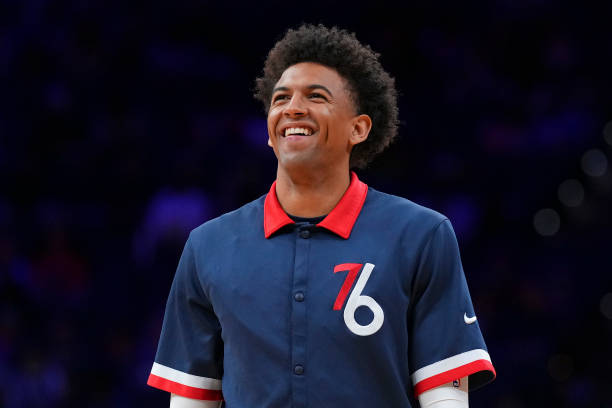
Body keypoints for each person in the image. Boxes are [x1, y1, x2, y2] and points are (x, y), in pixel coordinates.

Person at [147, 24, 496, 408]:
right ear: (269, 131)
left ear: (359, 128)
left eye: (316, 96)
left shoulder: (422, 235)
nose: (292, 107)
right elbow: (193, 399)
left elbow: (444, 396)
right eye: (280, 99)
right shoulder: (206, 245)